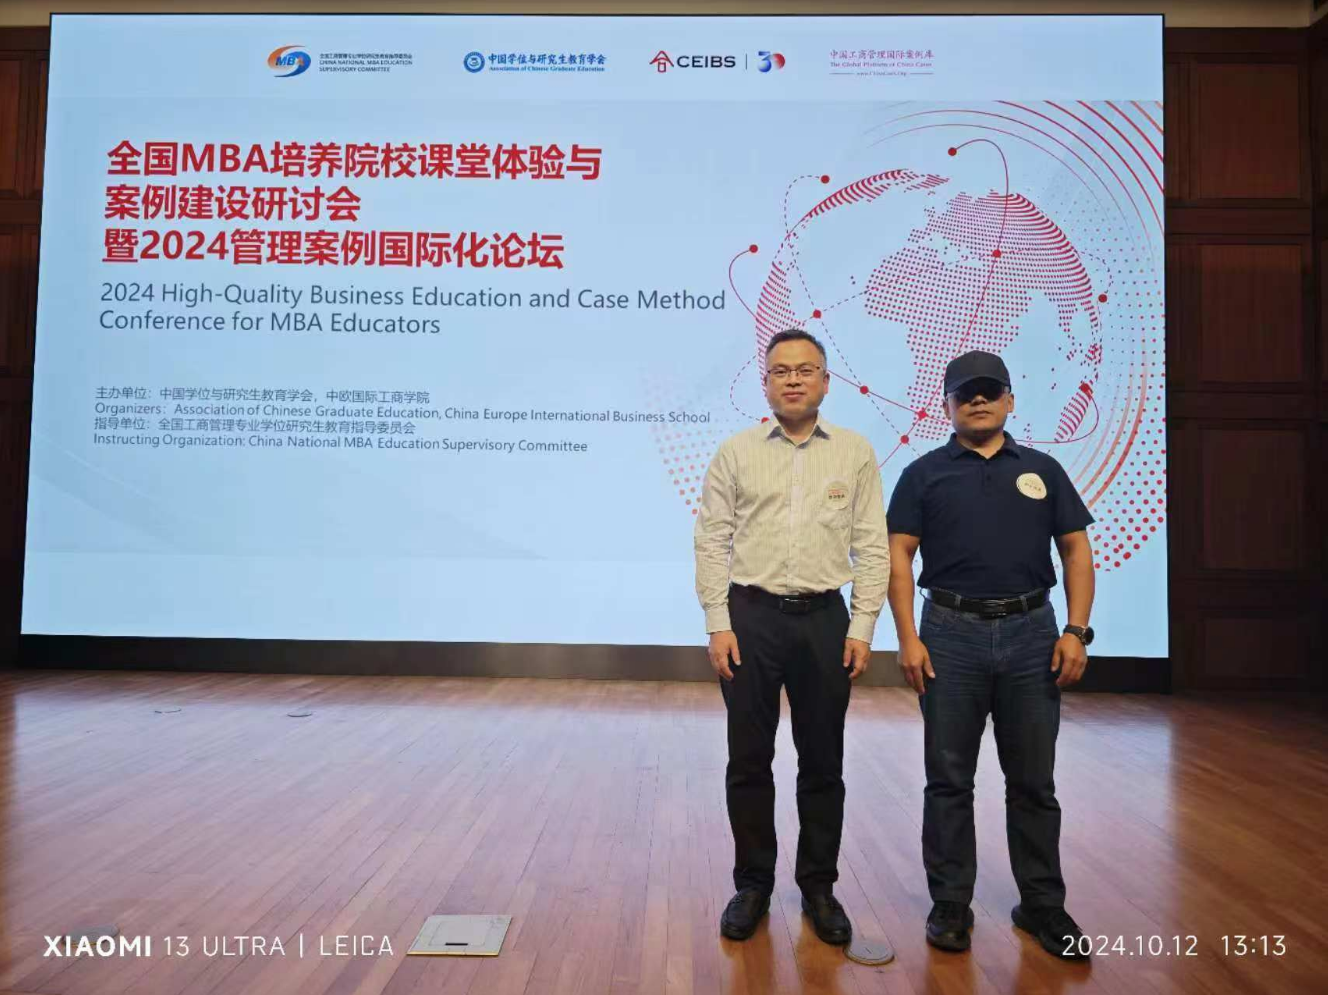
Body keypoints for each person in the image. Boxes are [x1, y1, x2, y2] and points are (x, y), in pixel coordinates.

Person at [885, 349, 1095, 960]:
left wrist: (1076, 630)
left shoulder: (1044, 470)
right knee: (948, 778)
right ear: (946, 405)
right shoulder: (923, 474)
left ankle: (1042, 906)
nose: (977, 400)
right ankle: (951, 903)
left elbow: (1076, 550)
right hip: (950, 635)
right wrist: (907, 637)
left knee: (1033, 780)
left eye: (989, 390)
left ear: (1009, 400)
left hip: (1033, 634)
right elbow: (899, 555)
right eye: (965, 392)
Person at [693, 329, 889, 945]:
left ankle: (819, 888)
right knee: (749, 759)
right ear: (766, 383)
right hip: (750, 619)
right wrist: (718, 622)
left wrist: (863, 625)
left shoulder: (855, 451)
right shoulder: (736, 452)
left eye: (806, 370)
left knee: (823, 760)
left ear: (826, 382)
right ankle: (753, 884)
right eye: (781, 371)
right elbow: (711, 541)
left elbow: (872, 545)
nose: (794, 379)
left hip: (825, 620)